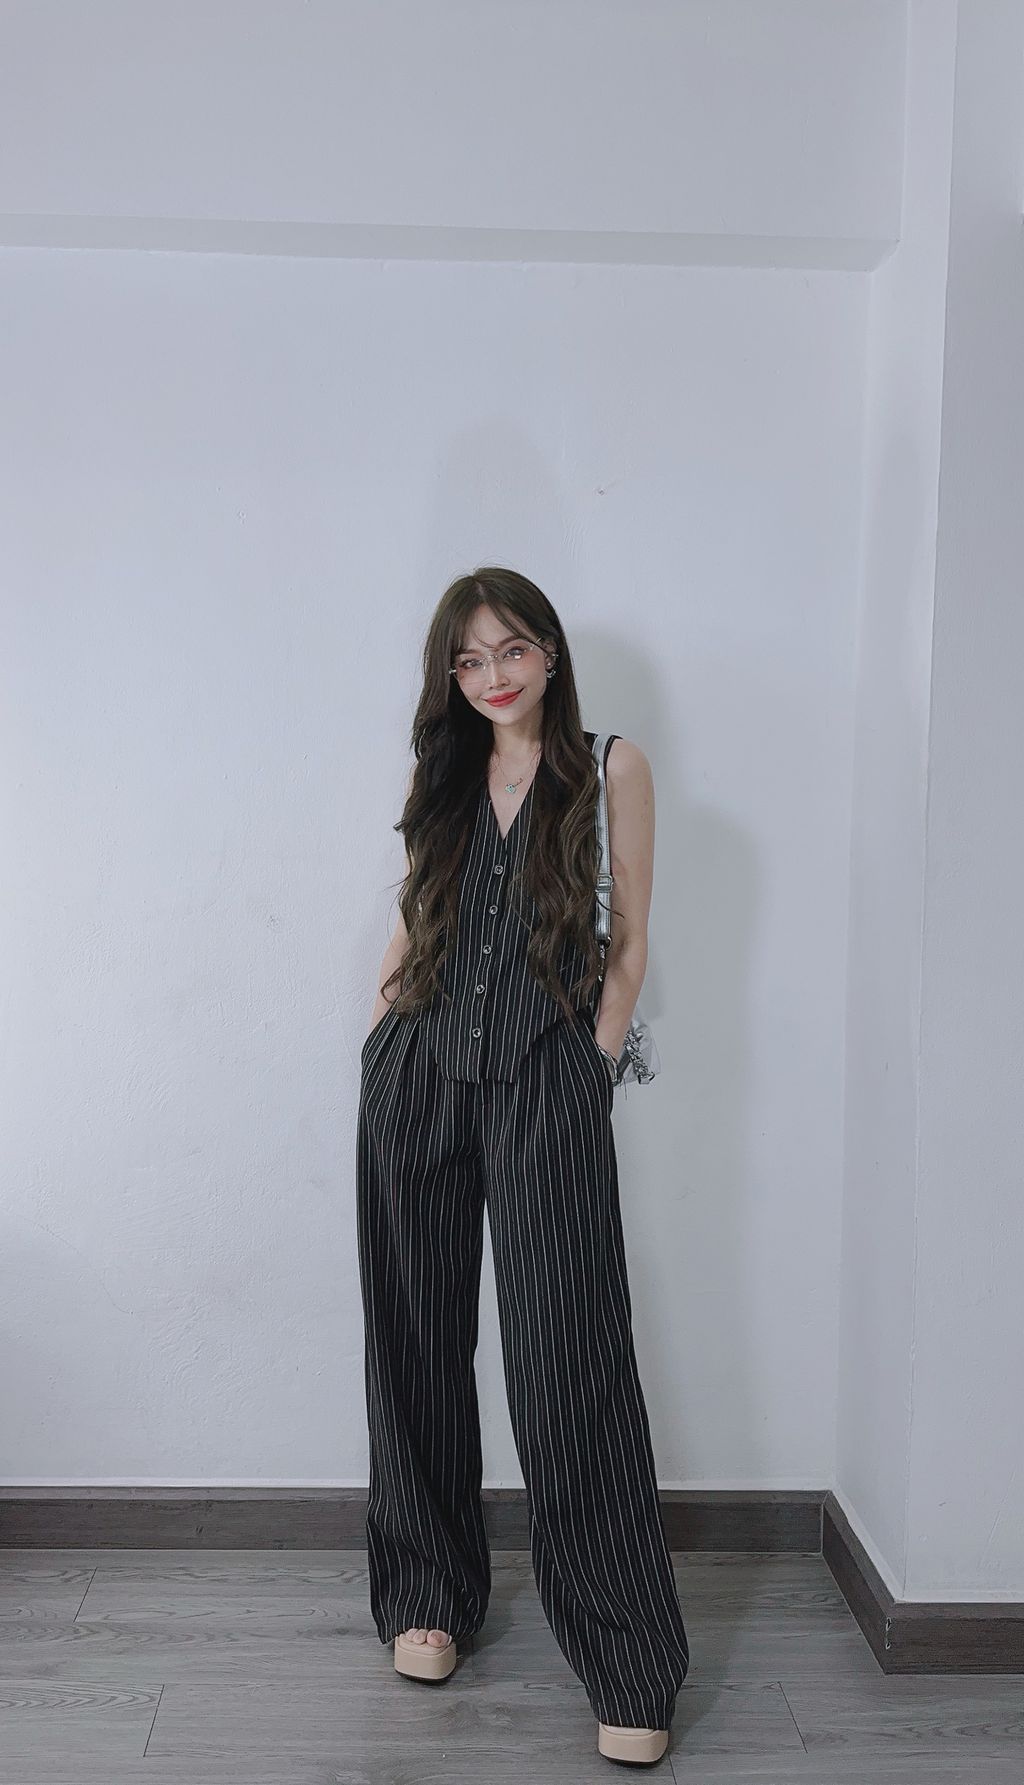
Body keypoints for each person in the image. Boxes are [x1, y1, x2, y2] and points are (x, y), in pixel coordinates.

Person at [355, 567, 689, 1765]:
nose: (492, 676)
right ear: (450, 678)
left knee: (569, 1361)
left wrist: (591, 1064)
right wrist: (380, 1035)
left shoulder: (609, 768)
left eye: (510, 650)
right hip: (419, 1070)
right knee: (413, 1340)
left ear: (549, 651)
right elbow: (413, 916)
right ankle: (428, 1596)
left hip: (550, 1078)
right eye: (468, 660)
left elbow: (629, 938)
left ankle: (626, 1657)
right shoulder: (440, 775)